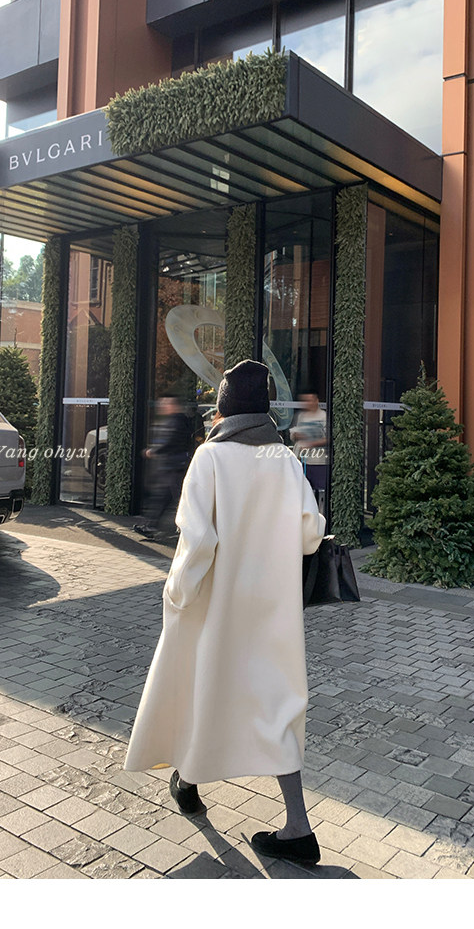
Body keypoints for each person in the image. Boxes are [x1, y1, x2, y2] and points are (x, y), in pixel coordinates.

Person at [124, 359, 326, 865]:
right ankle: (298, 829)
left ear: (224, 406)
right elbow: (310, 534)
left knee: (202, 687)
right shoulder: (285, 459)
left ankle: (188, 783)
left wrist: (177, 594)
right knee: (276, 706)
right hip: (273, 611)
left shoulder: (210, 457)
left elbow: (196, 542)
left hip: (216, 604)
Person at [134, 395, 193, 540]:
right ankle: (151, 525)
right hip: (171, 465)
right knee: (165, 498)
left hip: (174, 466)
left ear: (174, 405)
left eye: (166, 403)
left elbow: (171, 441)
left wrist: (154, 451)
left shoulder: (177, 421)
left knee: (172, 498)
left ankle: (155, 526)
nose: (162, 406)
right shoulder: (177, 420)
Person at [289, 390, 328, 497]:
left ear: (316, 401)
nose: (307, 403)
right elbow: (294, 433)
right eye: (305, 401)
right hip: (303, 461)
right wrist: (296, 435)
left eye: (310, 400)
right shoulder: (301, 416)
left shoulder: (324, 416)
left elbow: (328, 439)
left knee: (320, 492)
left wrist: (311, 444)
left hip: (319, 461)